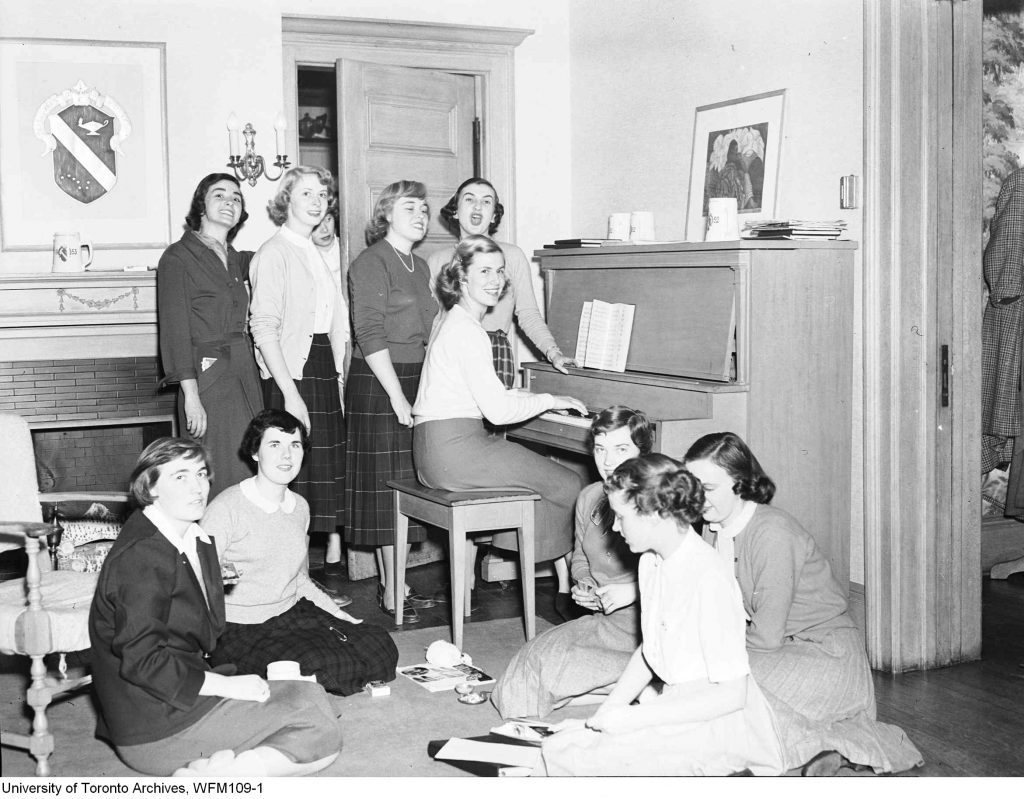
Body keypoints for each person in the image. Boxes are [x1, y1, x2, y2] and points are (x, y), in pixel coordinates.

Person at [88, 438, 340, 777]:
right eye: (180, 477)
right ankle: (219, 778)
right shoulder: (143, 557)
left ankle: (217, 769)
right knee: (320, 735)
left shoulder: (191, 538)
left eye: (201, 474)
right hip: (154, 725)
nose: (197, 488)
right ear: (151, 487)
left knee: (311, 693)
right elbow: (143, 662)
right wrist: (227, 687)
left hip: (180, 692)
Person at [683, 432, 924, 775]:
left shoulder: (772, 533)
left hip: (826, 657)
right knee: (701, 690)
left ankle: (823, 746)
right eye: (691, 486)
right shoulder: (713, 528)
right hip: (780, 648)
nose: (696, 499)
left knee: (716, 690)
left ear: (740, 484)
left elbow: (765, 636)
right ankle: (807, 747)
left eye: (707, 489)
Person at [538, 453, 784, 776]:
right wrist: (605, 713)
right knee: (560, 746)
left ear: (655, 515)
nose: (614, 526)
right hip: (673, 707)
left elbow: (733, 695)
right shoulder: (650, 562)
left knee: (589, 763)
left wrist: (637, 718)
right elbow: (650, 651)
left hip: (716, 724)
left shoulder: (709, 577)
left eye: (621, 517)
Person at [412, 235, 586, 611]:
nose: (495, 280)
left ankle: (525, 557)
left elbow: (484, 396)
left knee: (543, 478)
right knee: (570, 483)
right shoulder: (469, 332)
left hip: (436, 447)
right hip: (457, 450)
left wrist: (529, 399)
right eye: (484, 271)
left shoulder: (454, 322)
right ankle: (574, 586)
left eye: (500, 271)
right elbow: (497, 413)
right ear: (461, 278)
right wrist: (553, 400)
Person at [202, 409, 398, 695]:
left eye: (294, 446)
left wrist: (341, 616)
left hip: (290, 613)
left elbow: (300, 580)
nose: (286, 456)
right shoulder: (226, 508)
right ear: (255, 452)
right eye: (274, 445)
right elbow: (197, 581)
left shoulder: (300, 507)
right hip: (241, 627)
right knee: (320, 663)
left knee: (379, 645)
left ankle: (296, 680)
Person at [492, 406, 653, 718]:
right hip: (608, 621)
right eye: (600, 449)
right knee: (522, 673)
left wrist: (632, 590)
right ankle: (636, 688)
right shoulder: (590, 496)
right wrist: (586, 583)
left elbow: (681, 576)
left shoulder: (658, 501)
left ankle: (646, 682)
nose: (608, 462)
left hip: (650, 625)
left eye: (621, 449)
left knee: (546, 675)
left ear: (643, 453)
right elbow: (580, 557)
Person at [249, 166, 350, 605]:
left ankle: (302, 583)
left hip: (321, 367)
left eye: (322, 194)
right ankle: (291, 587)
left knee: (317, 478)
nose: (316, 200)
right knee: (293, 476)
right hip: (293, 374)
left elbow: (330, 323)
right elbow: (263, 327)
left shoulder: (314, 251)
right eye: (305, 193)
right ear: (285, 200)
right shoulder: (273, 252)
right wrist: (291, 393)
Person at [345, 180, 440, 623]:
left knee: (402, 486)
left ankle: (393, 583)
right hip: (380, 380)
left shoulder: (419, 266)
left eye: (424, 207)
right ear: (385, 213)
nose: (420, 214)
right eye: (409, 207)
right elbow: (369, 333)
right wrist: (399, 398)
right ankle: (393, 590)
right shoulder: (370, 262)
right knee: (388, 490)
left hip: (412, 376)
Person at [157, 173, 263, 499]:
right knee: (216, 466)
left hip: (244, 372)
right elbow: (175, 331)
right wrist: (191, 396)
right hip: (207, 378)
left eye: (236, 197)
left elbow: (279, 255)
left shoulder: (238, 259)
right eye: (219, 195)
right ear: (201, 204)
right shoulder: (177, 257)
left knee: (251, 461)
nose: (229, 202)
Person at [427, 177, 575, 388]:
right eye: (469, 200)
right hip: (448, 352)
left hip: (494, 353)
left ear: (494, 215)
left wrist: (553, 353)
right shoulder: (437, 260)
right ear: (455, 211)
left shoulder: (512, 256)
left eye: (487, 201)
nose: (478, 206)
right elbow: (431, 322)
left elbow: (528, 314)